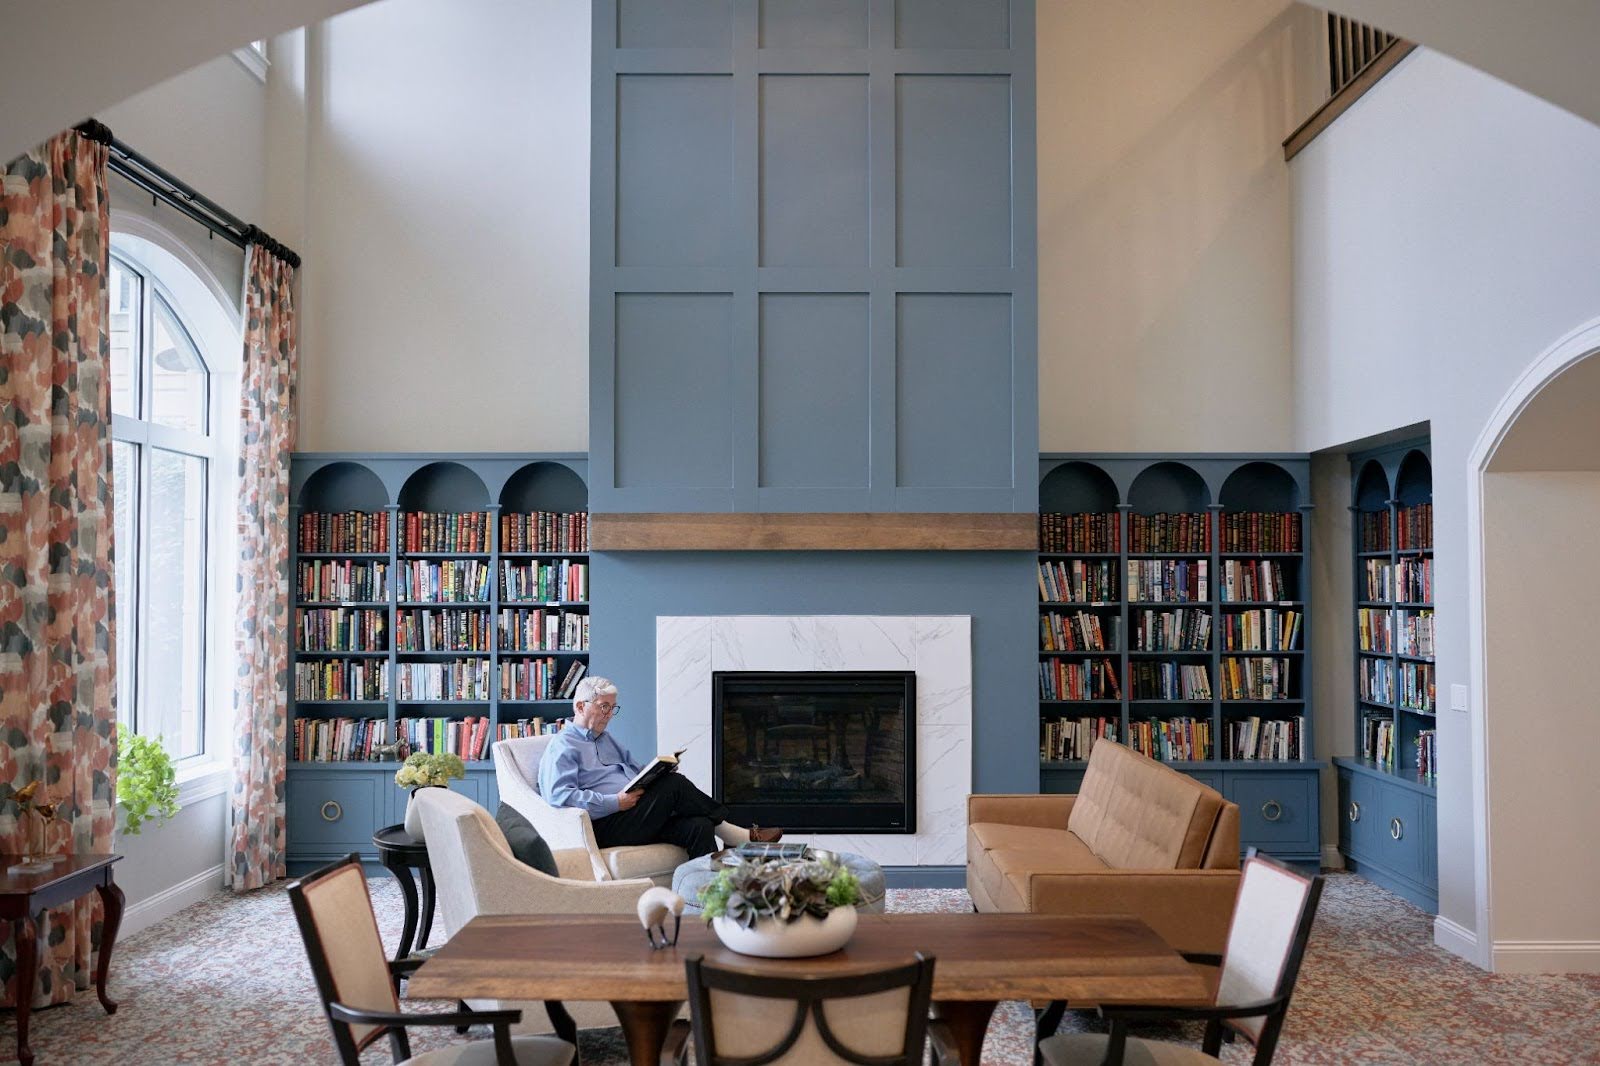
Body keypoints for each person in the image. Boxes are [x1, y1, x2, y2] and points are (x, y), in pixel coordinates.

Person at [537, 675, 781, 858]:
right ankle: (737, 835)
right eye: (604, 707)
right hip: (607, 825)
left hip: (636, 815)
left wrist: (658, 771)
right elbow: (560, 796)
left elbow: (636, 768)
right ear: (581, 706)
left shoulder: (606, 739)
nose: (610, 714)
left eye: (613, 708)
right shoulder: (563, 746)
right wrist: (615, 801)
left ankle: (706, 902)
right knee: (675, 785)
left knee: (700, 826)